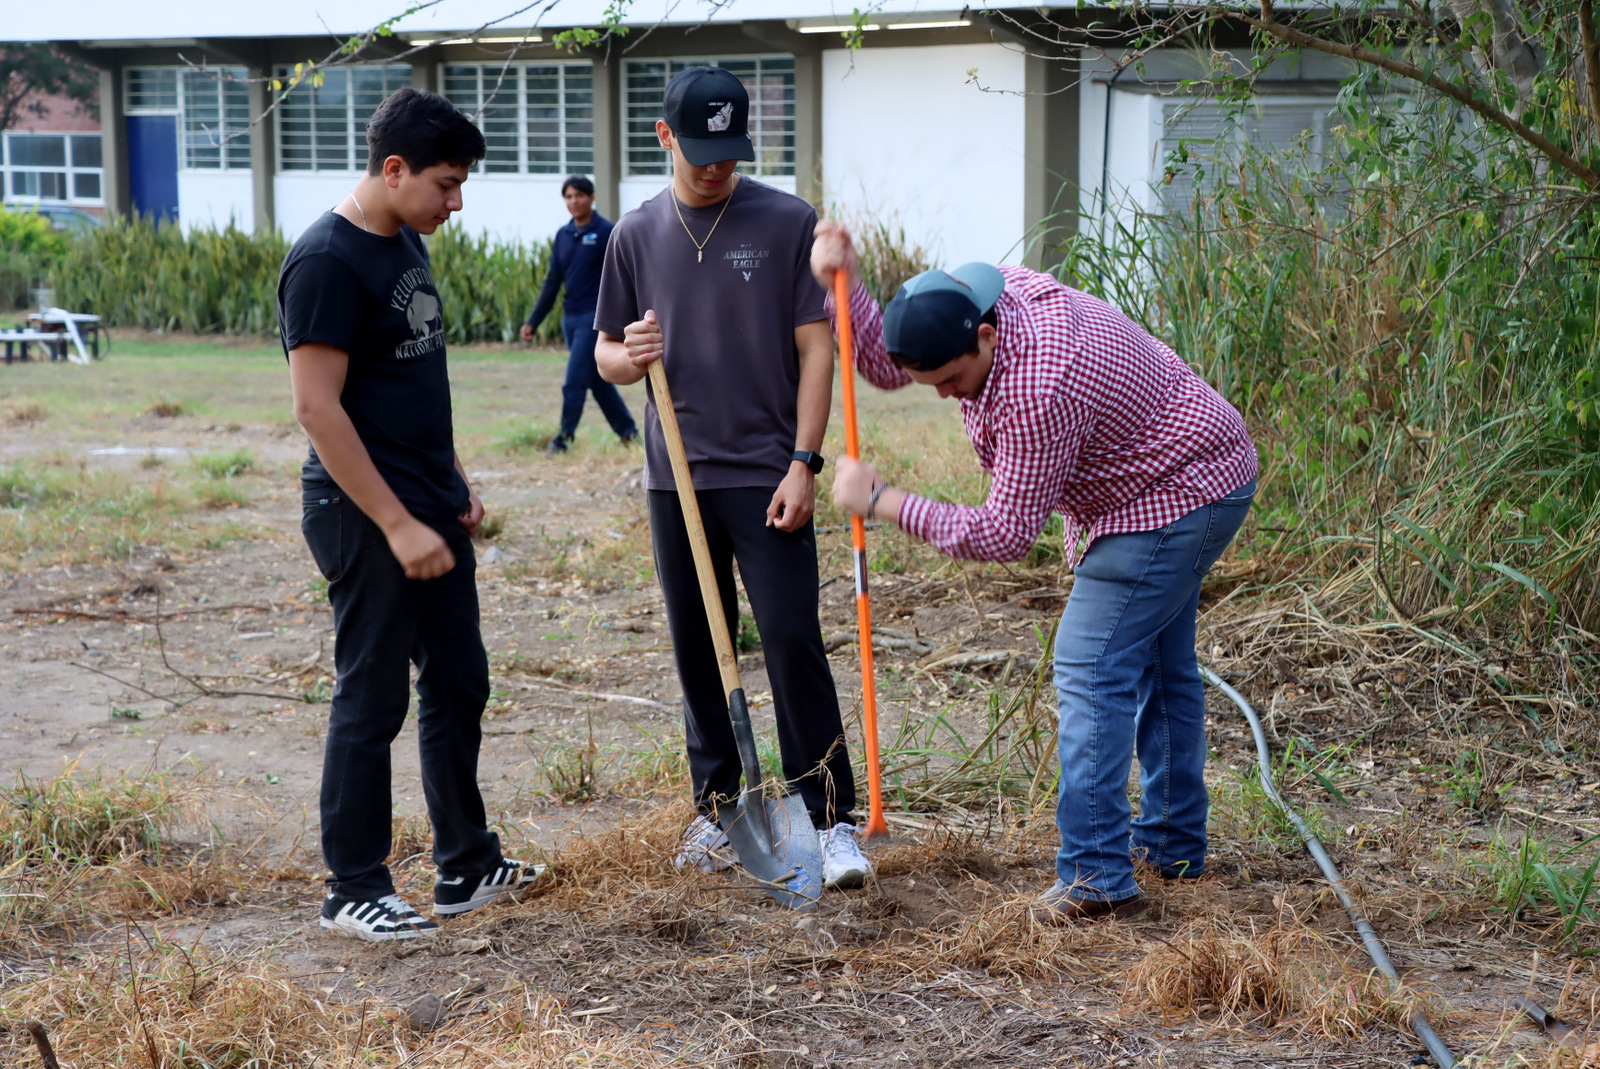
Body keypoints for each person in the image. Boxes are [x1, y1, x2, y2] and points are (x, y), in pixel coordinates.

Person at [812, 222, 1259, 919]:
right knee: (1156, 661)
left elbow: (1004, 533)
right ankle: (1171, 844)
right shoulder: (973, 298)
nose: (944, 396)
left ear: (987, 338)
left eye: (952, 381)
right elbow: (895, 364)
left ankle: (1096, 876)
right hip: (1177, 467)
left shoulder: (1038, 388)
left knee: (1091, 663)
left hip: (1179, 488)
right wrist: (844, 285)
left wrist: (884, 501)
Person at [594, 66, 872, 889]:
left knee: (790, 638)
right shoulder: (634, 234)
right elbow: (605, 352)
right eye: (700, 151)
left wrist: (804, 463)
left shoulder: (786, 222)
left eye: (730, 152)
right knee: (696, 646)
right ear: (664, 137)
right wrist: (628, 356)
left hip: (767, 471)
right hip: (676, 477)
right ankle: (717, 809)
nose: (717, 167)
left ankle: (830, 817)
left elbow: (816, 349)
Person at [278, 87, 538, 942]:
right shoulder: (326, 260)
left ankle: (466, 863)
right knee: (374, 691)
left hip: (428, 501)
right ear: (394, 169)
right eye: (445, 184)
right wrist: (395, 522)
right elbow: (318, 409)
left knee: (460, 678)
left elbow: (413, 380)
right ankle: (353, 885)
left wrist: (453, 480)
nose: (454, 203)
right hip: (363, 509)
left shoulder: (405, 241)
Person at [520, 175, 638, 453]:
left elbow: (625, 275)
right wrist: (533, 321)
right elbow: (552, 281)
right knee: (596, 380)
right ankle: (628, 433)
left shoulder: (607, 232)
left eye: (580, 195)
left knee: (574, 380)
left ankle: (563, 440)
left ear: (591, 198)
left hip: (594, 319)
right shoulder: (563, 235)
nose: (574, 201)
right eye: (569, 196)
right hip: (570, 319)